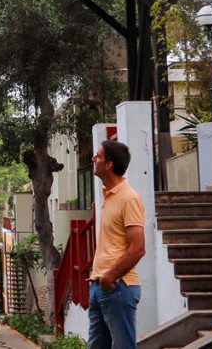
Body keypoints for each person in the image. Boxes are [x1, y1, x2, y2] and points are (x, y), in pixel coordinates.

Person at [88, 139, 146, 349]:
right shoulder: (109, 196)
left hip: (118, 287)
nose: (94, 159)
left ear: (109, 164)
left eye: (98, 156)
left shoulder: (129, 198)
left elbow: (138, 248)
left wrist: (109, 276)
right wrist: (98, 277)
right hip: (100, 285)